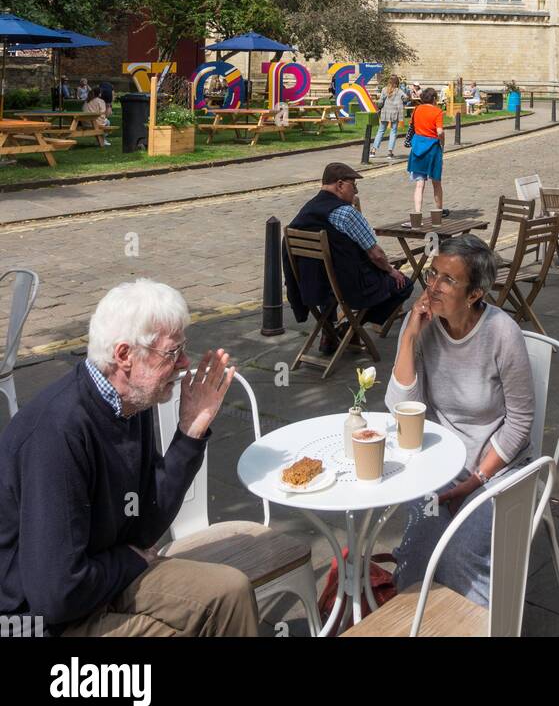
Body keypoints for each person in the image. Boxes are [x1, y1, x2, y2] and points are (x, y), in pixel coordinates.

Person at [0, 279, 257, 637]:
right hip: (37, 620)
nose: (184, 363)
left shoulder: (132, 402)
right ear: (124, 356)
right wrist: (130, 560)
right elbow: (55, 594)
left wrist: (189, 433)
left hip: (103, 577)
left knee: (230, 592)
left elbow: (145, 525)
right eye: (172, 352)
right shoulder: (57, 434)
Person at [386, 235, 534, 606]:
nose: (432, 288)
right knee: (415, 561)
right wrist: (408, 340)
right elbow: (404, 413)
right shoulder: (420, 322)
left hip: (495, 471)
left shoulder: (502, 333)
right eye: (432, 274)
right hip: (439, 462)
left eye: (448, 280)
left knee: (458, 559)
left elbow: (520, 421)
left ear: (474, 295)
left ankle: (482, 627)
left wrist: (475, 480)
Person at [288, 163, 412, 347]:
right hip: (351, 287)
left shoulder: (308, 210)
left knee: (326, 271)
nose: (355, 191)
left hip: (315, 285)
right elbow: (376, 254)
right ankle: (350, 328)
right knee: (404, 284)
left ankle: (328, 332)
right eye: (353, 185)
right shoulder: (345, 213)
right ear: (339, 185)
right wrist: (391, 271)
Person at [407, 87, 446, 217]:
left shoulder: (416, 109)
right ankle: (439, 211)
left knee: (419, 184)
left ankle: (417, 213)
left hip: (417, 146)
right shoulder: (437, 112)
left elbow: (412, 126)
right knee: (436, 182)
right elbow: (440, 131)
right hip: (432, 148)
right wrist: (443, 143)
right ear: (434, 99)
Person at [370, 74, 407, 160]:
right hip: (395, 113)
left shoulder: (384, 90)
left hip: (385, 113)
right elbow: (405, 98)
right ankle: (390, 152)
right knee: (393, 132)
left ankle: (373, 150)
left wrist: (378, 106)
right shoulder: (399, 91)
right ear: (397, 82)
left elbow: (380, 102)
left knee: (381, 131)